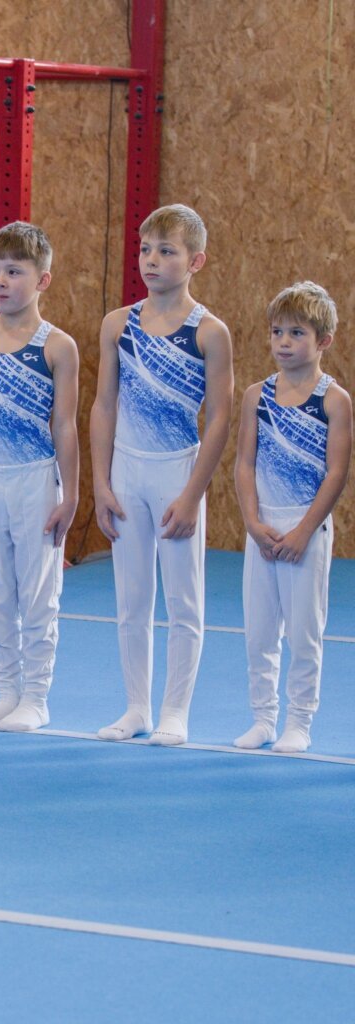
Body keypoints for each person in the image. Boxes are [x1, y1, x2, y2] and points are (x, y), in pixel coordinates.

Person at [91, 203, 233, 745]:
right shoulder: (118, 324)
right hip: (126, 470)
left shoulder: (209, 332)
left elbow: (219, 418)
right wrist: (101, 483)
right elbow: (104, 404)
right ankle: (136, 708)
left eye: (166, 251)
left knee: (183, 600)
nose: (151, 260)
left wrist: (193, 494)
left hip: (177, 471)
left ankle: (175, 711)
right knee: (131, 599)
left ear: (196, 261)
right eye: (145, 249)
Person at [0, 221, 79, 732]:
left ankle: (37, 697)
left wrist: (70, 494)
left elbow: (64, 425)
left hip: (35, 480)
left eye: (13, 271)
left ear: (42, 280)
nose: (0, 281)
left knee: (38, 593)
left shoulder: (58, 347)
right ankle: (7, 692)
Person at [233, 282, 351, 753]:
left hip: (307, 529)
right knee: (259, 631)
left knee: (304, 632)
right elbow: (244, 463)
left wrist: (304, 531)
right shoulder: (256, 396)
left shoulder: (334, 401)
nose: (283, 342)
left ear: (324, 341)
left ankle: (299, 721)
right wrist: (251, 521)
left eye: (296, 333)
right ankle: (263, 718)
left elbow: (336, 473)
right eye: (277, 331)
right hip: (263, 527)